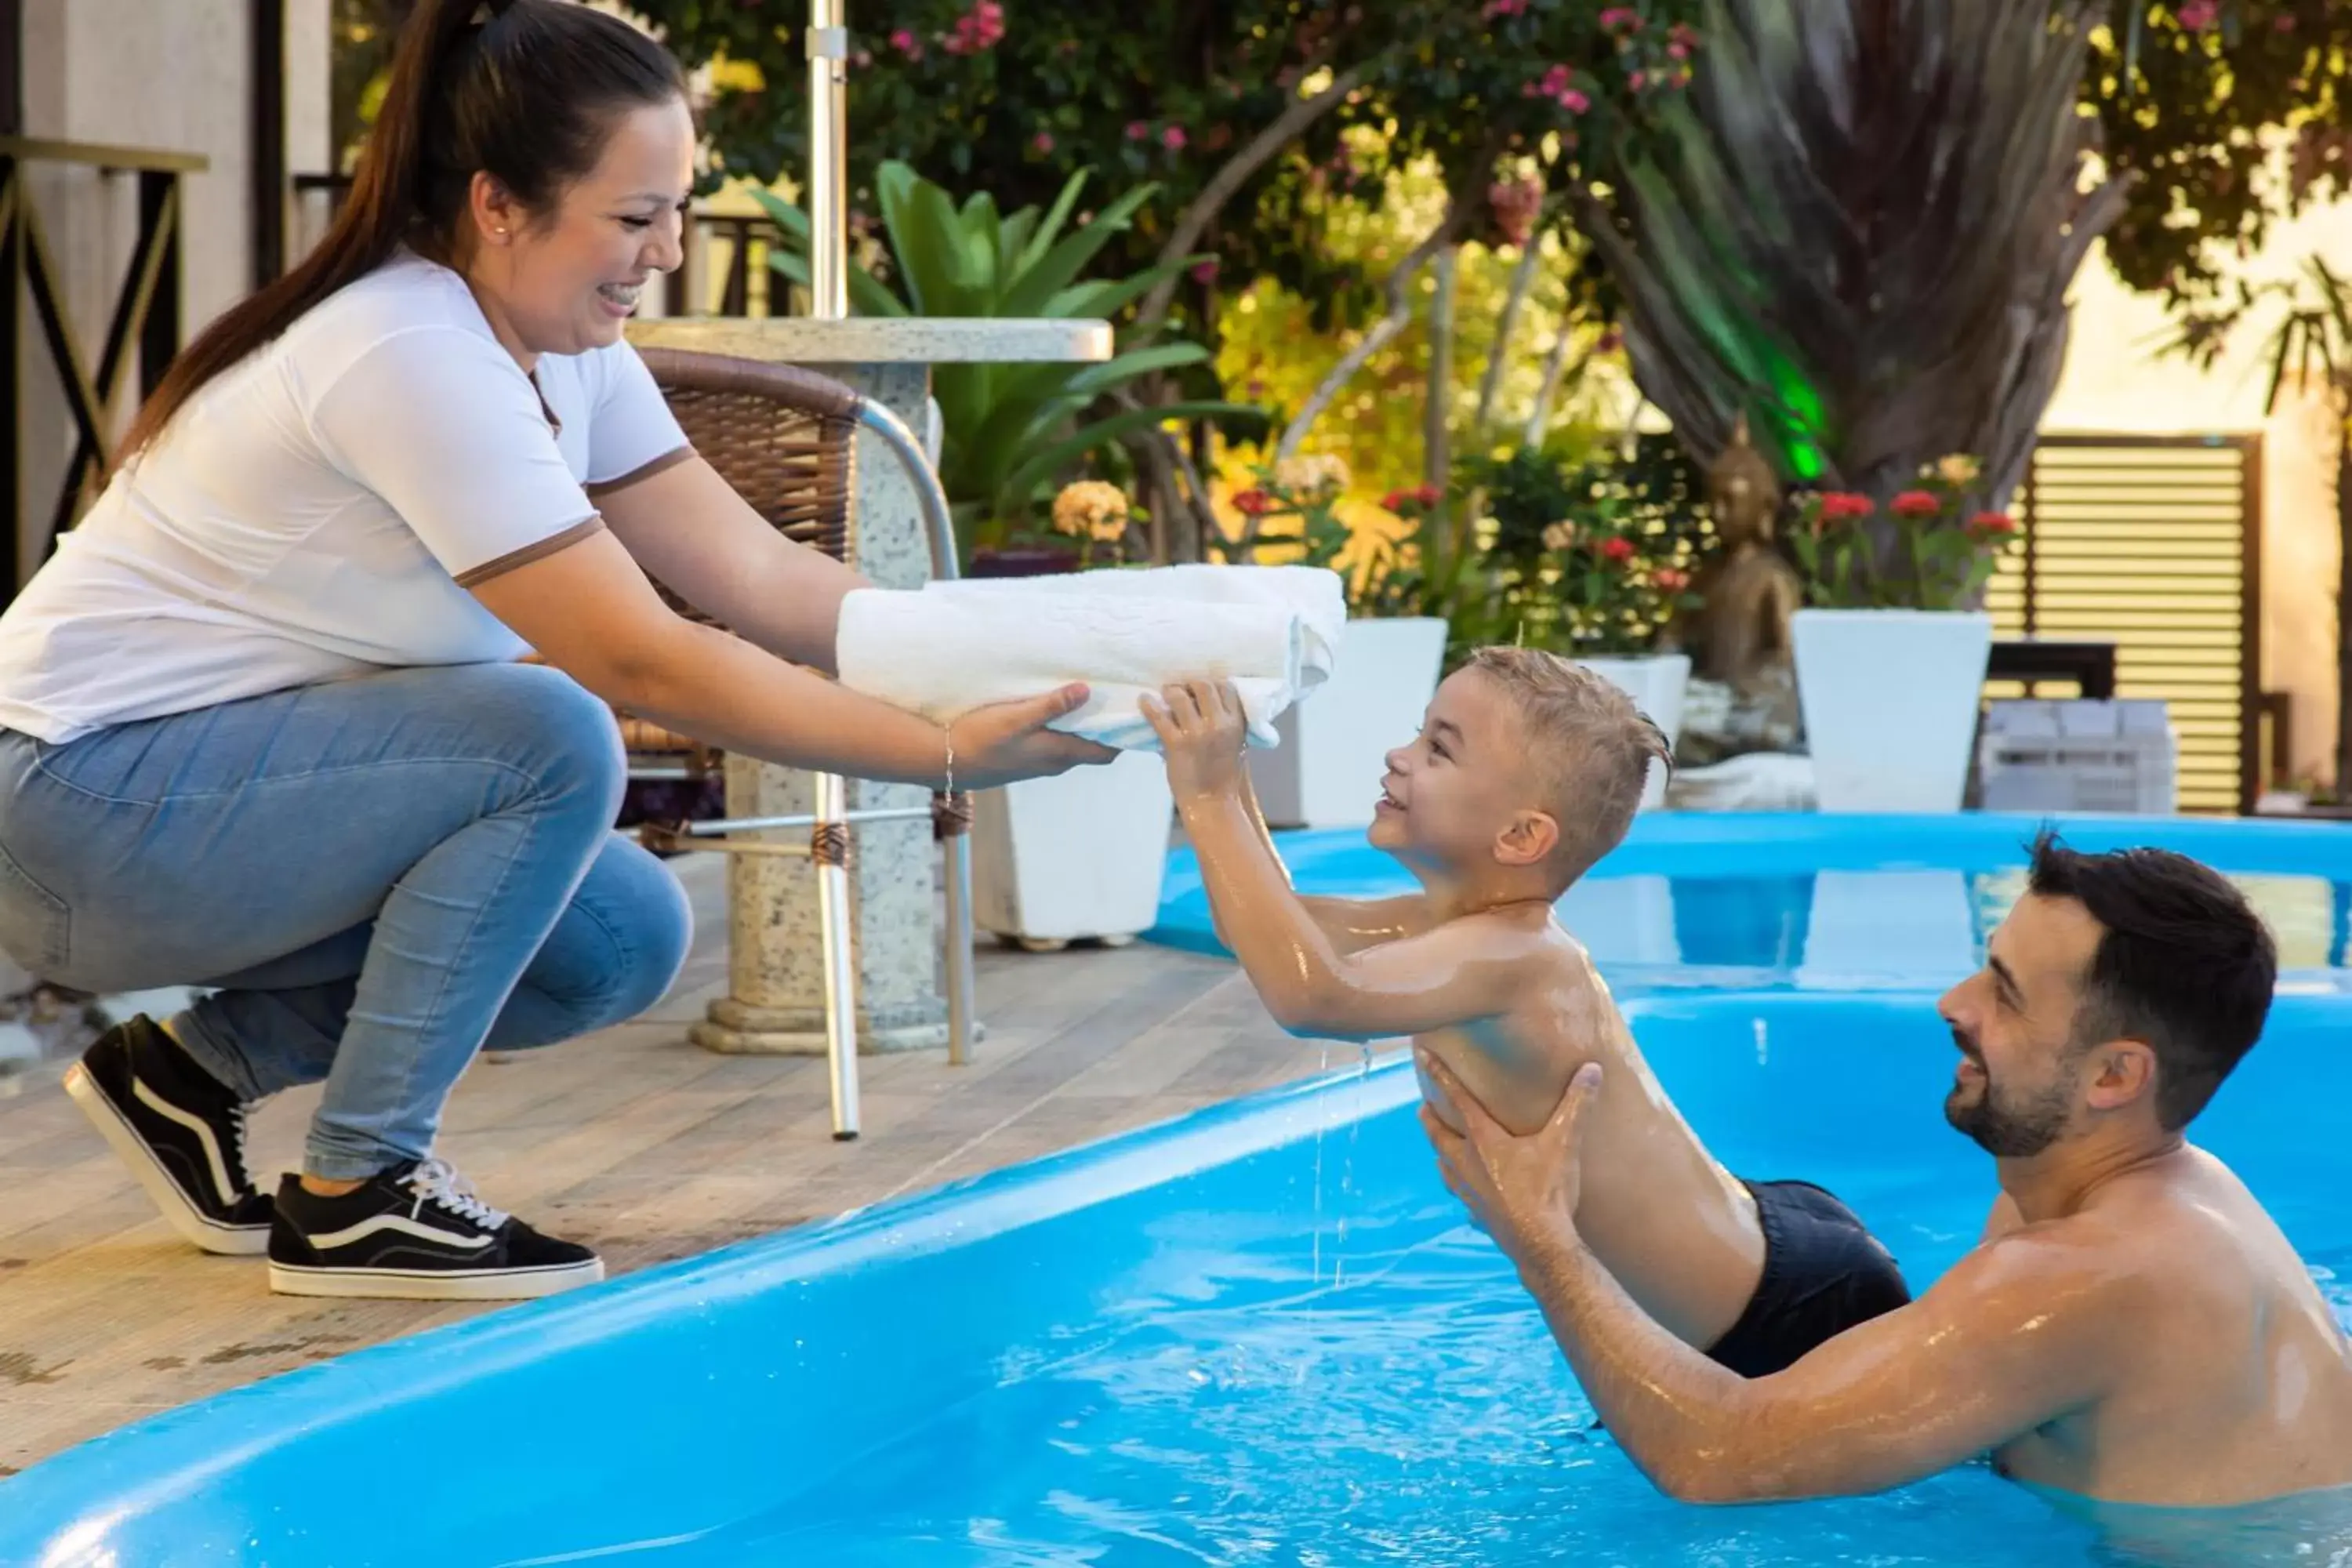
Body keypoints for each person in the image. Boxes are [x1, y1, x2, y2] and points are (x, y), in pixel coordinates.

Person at [0, 0, 1109, 1303]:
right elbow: (647, 659)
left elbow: (760, 578)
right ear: (498, 206)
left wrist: (1015, 658)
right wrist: (936, 755)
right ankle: (360, 1188)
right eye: (636, 219)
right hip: (69, 818)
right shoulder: (409, 349)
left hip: (197, 817)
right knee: (550, 734)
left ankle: (192, 1078)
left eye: (676, 211)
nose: (668, 252)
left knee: (621, 932)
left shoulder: (564, 352)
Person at [1422, 833, 2352, 1509]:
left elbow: (1715, 1457)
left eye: (2006, 995)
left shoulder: (2087, 1275)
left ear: (2117, 1075)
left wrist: (1539, 1233)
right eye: (1985, 968)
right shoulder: (2143, 1185)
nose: (1955, 1002)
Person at [1141, 649, 1911, 1374]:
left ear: (1520, 834)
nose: (1400, 755)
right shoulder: (1440, 928)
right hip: (1749, 1237)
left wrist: (1206, 796)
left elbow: (1312, 992)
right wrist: (1227, 765)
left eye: (1439, 749)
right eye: (1419, 730)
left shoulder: (1523, 958)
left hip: (1785, 1309)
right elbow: (1260, 924)